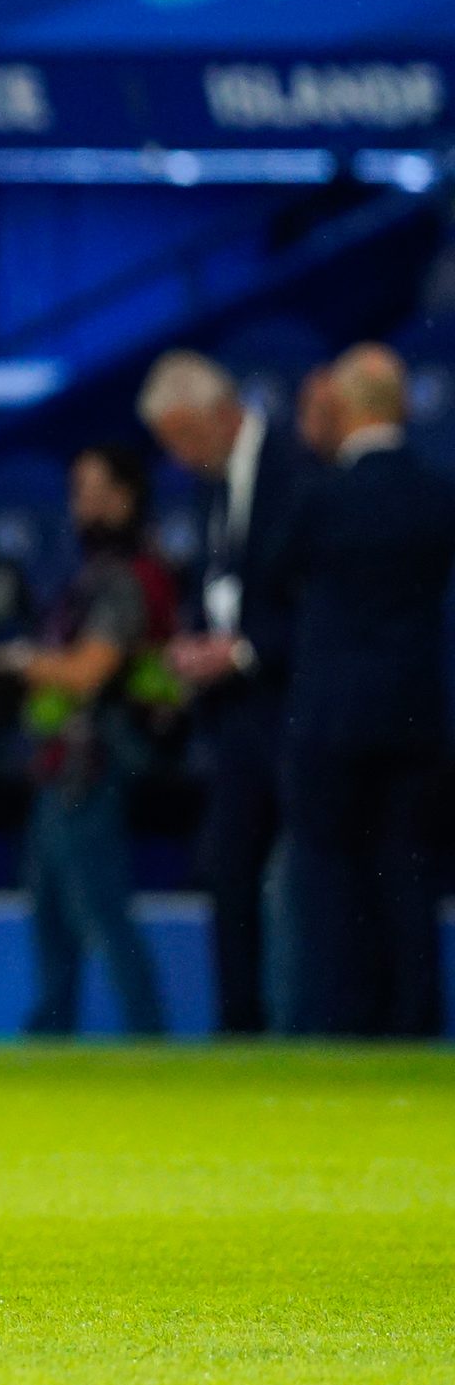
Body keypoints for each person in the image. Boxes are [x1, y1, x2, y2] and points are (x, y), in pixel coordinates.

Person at [267, 345, 455, 1037]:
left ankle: (341, 1020)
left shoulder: (322, 497)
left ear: (340, 407)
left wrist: (312, 436)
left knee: (328, 872)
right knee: (408, 870)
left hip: (332, 715)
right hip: (415, 713)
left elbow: (273, 572)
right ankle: (414, 1019)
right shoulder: (437, 495)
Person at [0, 444, 171, 1038]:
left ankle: (147, 1039)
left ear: (125, 497)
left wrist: (17, 663)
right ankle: (52, 1044)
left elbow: (90, 671)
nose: (79, 504)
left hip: (95, 761)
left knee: (102, 915)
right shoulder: (90, 574)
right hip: (60, 762)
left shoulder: (128, 577)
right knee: (53, 918)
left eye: (93, 489)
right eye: (75, 489)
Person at [140, 350, 306, 1035]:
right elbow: (223, 586)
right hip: (234, 717)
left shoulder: (296, 469)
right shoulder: (209, 485)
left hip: (297, 706)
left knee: (303, 880)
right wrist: (197, 645)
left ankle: (316, 1025)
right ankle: (240, 1026)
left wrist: (239, 648)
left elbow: (314, 599)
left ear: (217, 413)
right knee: (228, 865)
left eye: (181, 437)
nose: (177, 456)